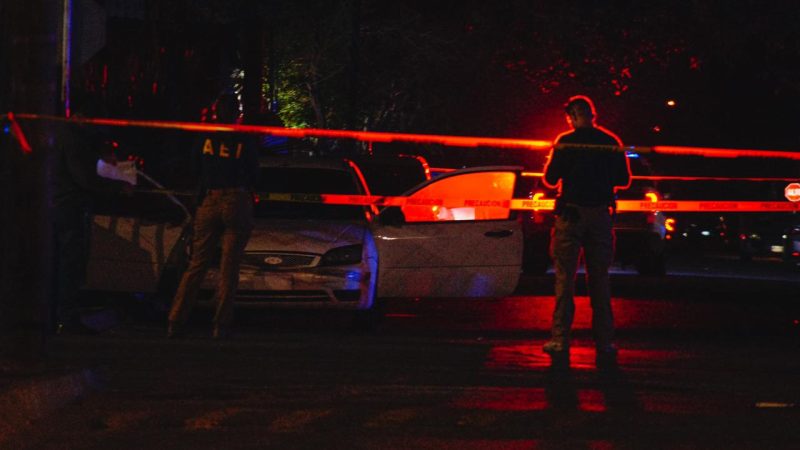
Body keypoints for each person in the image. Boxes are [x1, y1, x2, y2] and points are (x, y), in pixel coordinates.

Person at [541, 95, 631, 357]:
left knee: (564, 279)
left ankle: (560, 339)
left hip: (571, 214)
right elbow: (624, 179)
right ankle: (604, 342)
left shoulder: (566, 142)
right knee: (600, 280)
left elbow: (550, 178)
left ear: (571, 117)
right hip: (601, 214)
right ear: (593, 114)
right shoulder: (610, 142)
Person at [167, 93, 259, 339]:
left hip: (210, 198)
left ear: (216, 112)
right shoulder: (244, 138)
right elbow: (253, 171)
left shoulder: (205, 135)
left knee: (197, 264)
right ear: (237, 113)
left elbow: (194, 166)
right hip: (236, 199)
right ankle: (220, 325)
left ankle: (175, 320)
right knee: (229, 267)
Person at [52, 125, 134, 334]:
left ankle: (56, 314)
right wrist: (115, 187)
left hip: (58, 205)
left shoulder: (57, 135)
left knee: (59, 261)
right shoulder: (74, 140)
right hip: (70, 206)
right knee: (71, 263)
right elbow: (85, 177)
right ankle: (66, 316)